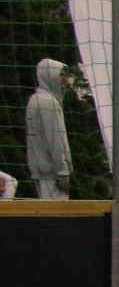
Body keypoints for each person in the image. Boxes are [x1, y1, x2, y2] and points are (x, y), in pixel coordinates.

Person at [25, 57, 70, 199]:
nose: (64, 78)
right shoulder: (49, 103)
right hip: (52, 174)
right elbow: (55, 140)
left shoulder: (34, 99)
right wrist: (62, 172)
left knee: (45, 209)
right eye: (60, 74)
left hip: (40, 170)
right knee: (57, 212)